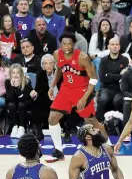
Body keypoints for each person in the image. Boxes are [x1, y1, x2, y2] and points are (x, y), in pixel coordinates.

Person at [46, 32, 109, 163]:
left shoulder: (82, 57)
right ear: (60, 44)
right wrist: (52, 86)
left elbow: (94, 78)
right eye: (64, 44)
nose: (67, 46)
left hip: (82, 91)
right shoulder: (57, 54)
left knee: (91, 122)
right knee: (52, 118)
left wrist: (84, 98)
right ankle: (58, 151)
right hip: (65, 90)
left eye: (69, 44)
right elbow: (59, 69)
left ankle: (108, 145)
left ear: (74, 44)